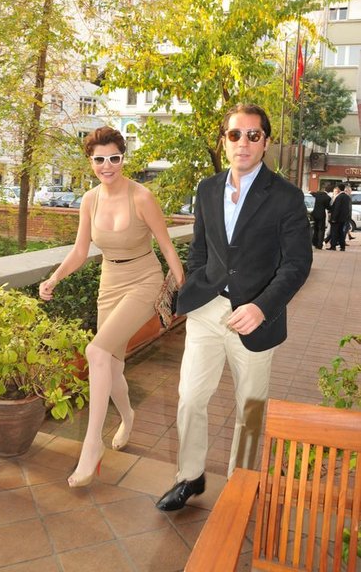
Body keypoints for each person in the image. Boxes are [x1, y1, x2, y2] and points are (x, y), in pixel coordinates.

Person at [156, 103, 312, 512]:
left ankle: (240, 484)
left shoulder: (286, 197)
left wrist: (262, 307)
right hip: (208, 310)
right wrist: (196, 285)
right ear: (224, 141)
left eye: (253, 135)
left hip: (255, 318)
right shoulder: (207, 189)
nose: (243, 142)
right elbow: (201, 248)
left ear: (266, 142)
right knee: (190, 397)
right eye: (235, 134)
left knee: (251, 409)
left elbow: (297, 264)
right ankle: (190, 476)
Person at [39, 126, 185, 487]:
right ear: (90, 161)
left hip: (144, 280)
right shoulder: (89, 200)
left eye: (114, 158)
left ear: (123, 158)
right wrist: (54, 278)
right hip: (109, 283)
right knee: (111, 366)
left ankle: (92, 445)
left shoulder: (142, 197)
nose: (107, 166)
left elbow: (167, 247)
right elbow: (80, 251)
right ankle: (128, 416)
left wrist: (183, 289)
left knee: (95, 351)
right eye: (99, 159)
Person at [326, 183, 352, 251]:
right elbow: (348, 208)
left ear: (339, 189)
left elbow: (337, 208)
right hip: (343, 218)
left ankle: (333, 246)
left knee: (334, 232)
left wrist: (334, 218)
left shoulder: (339, 197)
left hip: (337, 218)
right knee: (341, 232)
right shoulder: (347, 197)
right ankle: (342, 246)